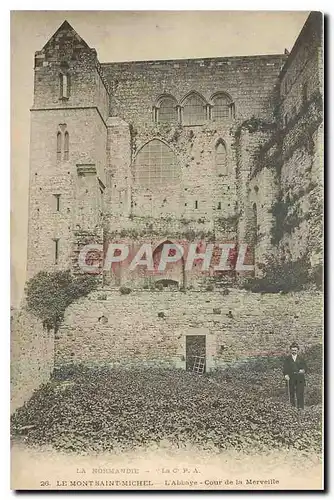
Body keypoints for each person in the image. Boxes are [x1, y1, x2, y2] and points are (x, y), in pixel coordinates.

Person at [283, 342, 307, 409]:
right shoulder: (287, 359)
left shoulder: (301, 358)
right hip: (291, 378)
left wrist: (303, 370)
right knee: (291, 393)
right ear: (290, 350)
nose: (294, 351)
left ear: (297, 350)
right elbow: (285, 369)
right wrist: (286, 375)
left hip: (300, 378)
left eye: (295, 350)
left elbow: (305, 367)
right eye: (292, 350)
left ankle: (301, 408)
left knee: (300, 393)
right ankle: (292, 408)